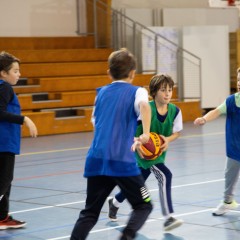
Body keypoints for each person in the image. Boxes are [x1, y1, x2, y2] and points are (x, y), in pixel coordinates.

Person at [70, 48, 153, 240]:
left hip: (97, 159)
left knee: (89, 213)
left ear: (109, 73)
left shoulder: (100, 94)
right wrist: (146, 134)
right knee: (144, 205)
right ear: (133, 73)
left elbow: (96, 124)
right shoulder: (137, 91)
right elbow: (145, 106)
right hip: (121, 161)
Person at [108, 74, 183, 231]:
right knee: (165, 175)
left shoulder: (175, 111)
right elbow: (131, 130)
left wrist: (168, 140)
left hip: (158, 153)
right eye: (163, 90)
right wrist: (137, 142)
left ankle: (115, 202)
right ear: (154, 92)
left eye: (170, 90)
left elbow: (177, 132)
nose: (168, 93)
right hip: (143, 151)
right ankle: (168, 217)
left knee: (137, 183)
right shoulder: (145, 109)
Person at [194, 67, 240, 216]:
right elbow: (217, 111)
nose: (239, 83)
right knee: (229, 176)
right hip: (234, 148)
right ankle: (227, 202)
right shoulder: (231, 101)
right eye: (238, 80)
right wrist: (204, 118)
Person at [0, 51, 38, 230]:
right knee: (4, 180)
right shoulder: (4, 87)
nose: (19, 74)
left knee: (5, 182)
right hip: (3, 143)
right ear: (3, 73)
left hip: (6, 142)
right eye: (15, 71)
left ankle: (2, 217)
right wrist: (24, 119)